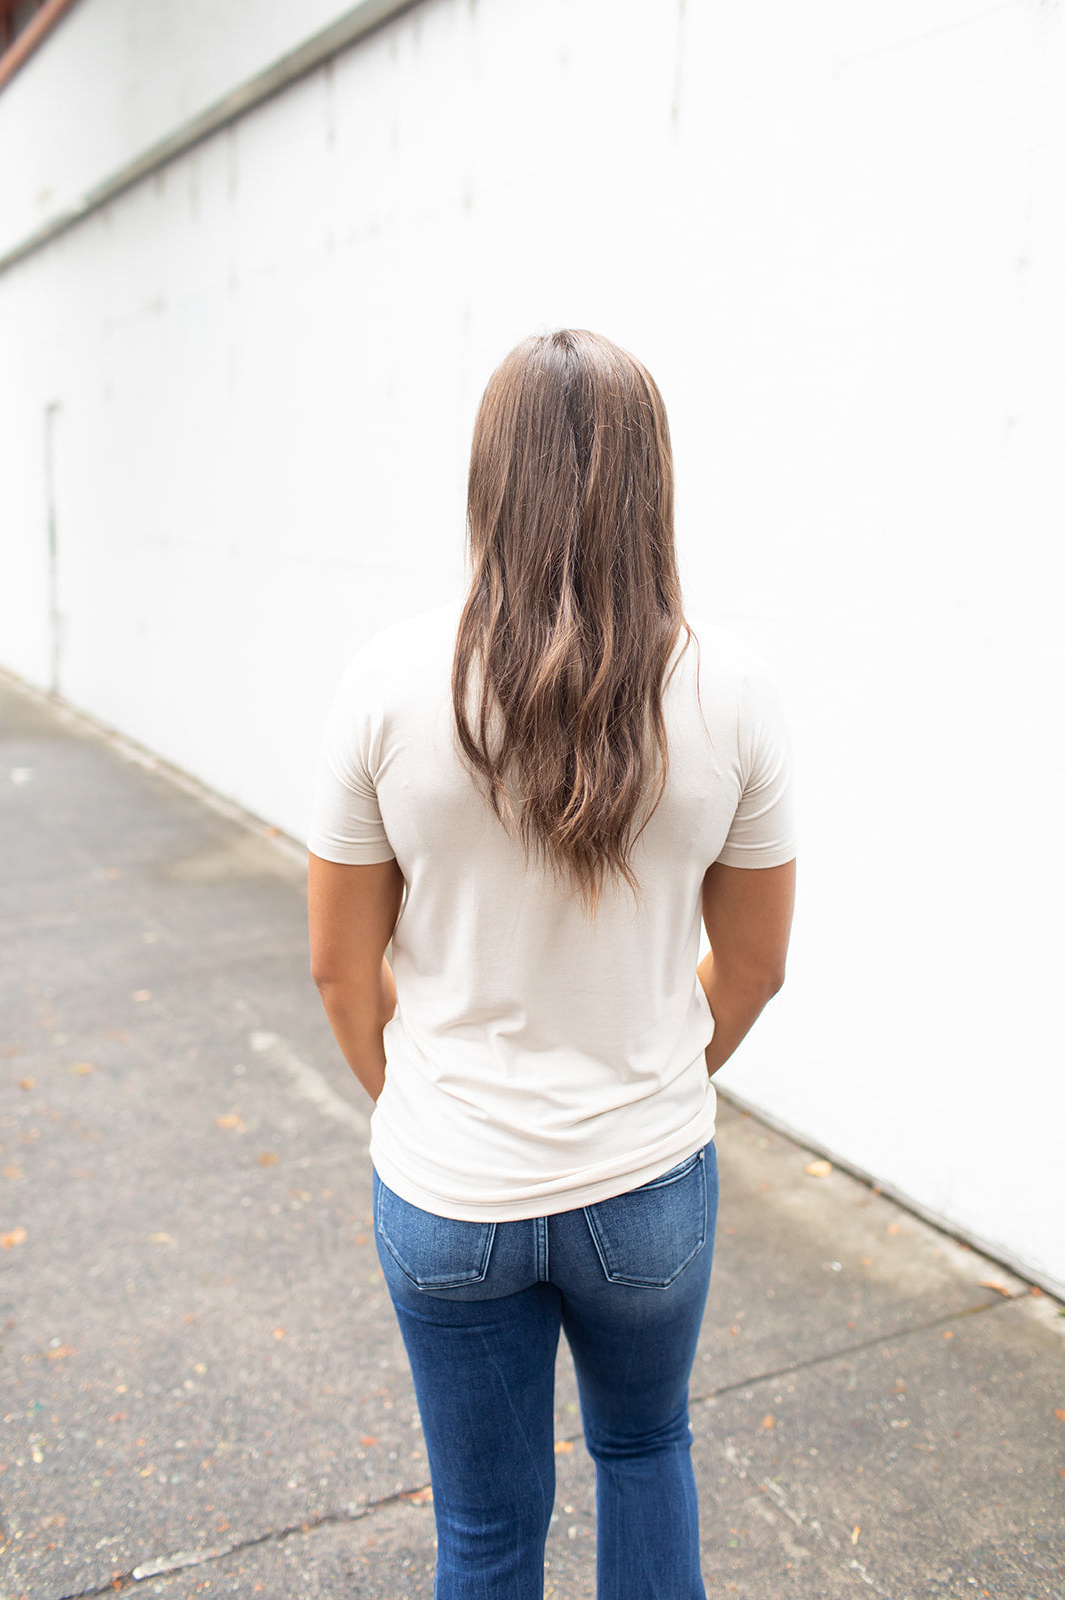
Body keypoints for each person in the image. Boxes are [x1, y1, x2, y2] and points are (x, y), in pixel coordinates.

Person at [307, 328, 796, 1600]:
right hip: (644, 1183)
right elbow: (751, 970)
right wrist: (643, 1069)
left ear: (487, 478)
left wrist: (429, 1099)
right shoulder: (733, 691)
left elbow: (337, 972)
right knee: (644, 1450)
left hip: (447, 1184)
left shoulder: (384, 682)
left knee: (480, 1530)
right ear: (653, 482)